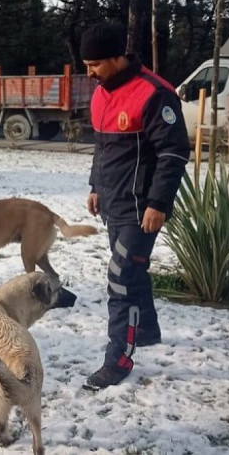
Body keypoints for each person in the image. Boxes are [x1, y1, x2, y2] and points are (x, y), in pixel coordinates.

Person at [80, 21, 191, 391]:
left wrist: (159, 203)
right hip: (113, 203)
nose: (90, 71)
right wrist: (96, 186)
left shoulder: (154, 93)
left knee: (121, 278)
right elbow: (102, 146)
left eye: (95, 63)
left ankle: (119, 360)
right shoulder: (100, 94)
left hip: (143, 209)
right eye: (86, 63)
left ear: (117, 57)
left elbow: (173, 153)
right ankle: (144, 333)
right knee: (132, 272)